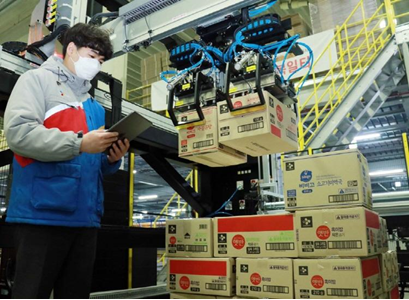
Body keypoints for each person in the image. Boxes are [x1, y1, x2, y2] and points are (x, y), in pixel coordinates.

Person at [4, 23, 130, 299]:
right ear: (71, 49)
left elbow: (91, 161)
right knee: (31, 293)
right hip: (42, 216)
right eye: (92, 55)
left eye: (101, 60)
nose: (96, 63)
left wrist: (112, 159)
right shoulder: (37, 81)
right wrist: (79, 143)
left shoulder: (93, 106)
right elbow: (19, 134)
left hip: (84, 219)